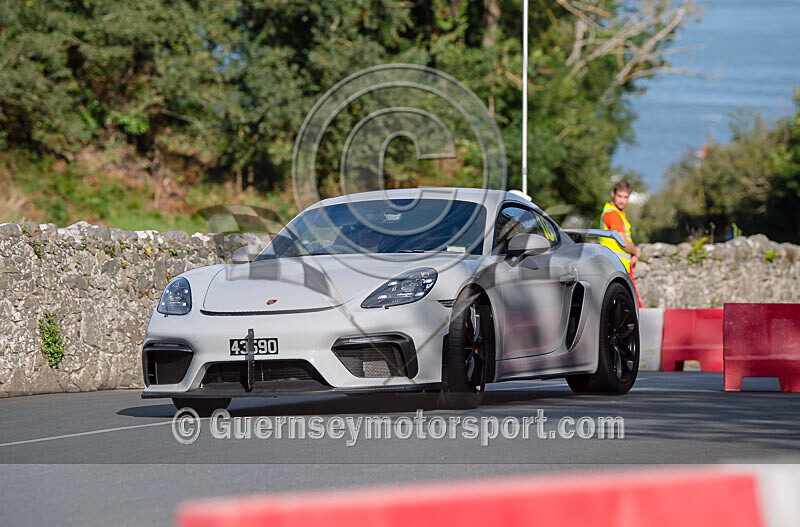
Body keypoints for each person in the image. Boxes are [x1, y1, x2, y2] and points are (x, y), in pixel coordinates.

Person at [600, 180, 642, 307]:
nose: (622, 200)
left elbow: (626, 238)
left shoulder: (617, 213)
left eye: (626, 197)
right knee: (631, 305)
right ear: (613, 194)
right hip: (617, 266)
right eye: (620, 196)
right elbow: (623, 242)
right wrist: (636, 252)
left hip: (619, 265)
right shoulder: (613, 214)